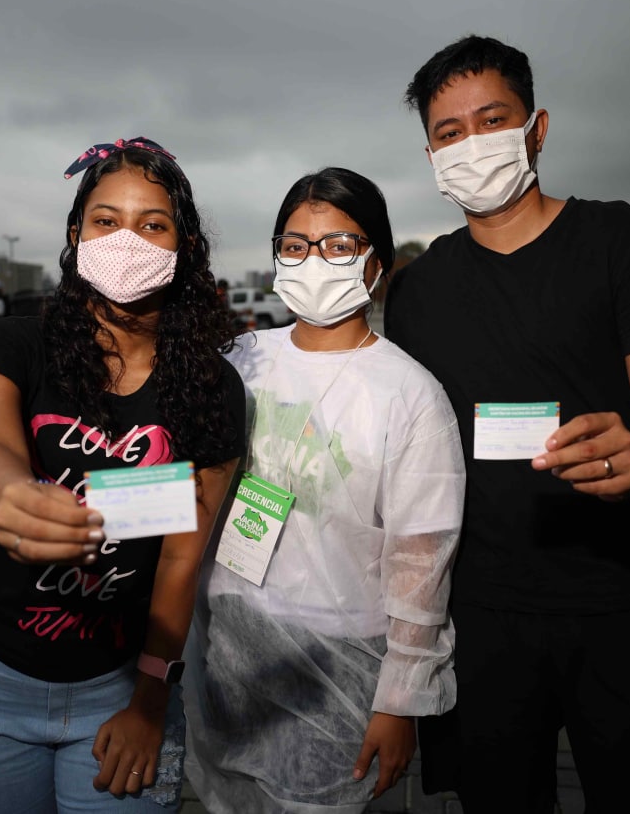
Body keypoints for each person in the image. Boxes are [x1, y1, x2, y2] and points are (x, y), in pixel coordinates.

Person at [385, 36, 630, 813]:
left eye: (492, 118)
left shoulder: (628, 244)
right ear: (431, 154)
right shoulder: (417, 292)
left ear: (536, 128)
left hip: (626, 602)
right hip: (478, 620)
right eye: (448, 132)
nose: (471, 144)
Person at [0, 137, 246, 812]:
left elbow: (181, 563)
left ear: (183, 244)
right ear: (76, 234)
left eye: (152, 223)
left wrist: (151, 699)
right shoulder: (11, 342)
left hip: (122, 679)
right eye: (106, 220)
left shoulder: (211, 386)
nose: (126, 239)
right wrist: (13, 495)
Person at [184, 167, 465, 813]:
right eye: (295, 244)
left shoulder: (409, 392)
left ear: (378, 263)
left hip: (339, 663)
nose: (315, 261)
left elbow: (421, 563)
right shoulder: (242, 359)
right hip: (228, 646)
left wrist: (398, 701)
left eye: (340, 244)